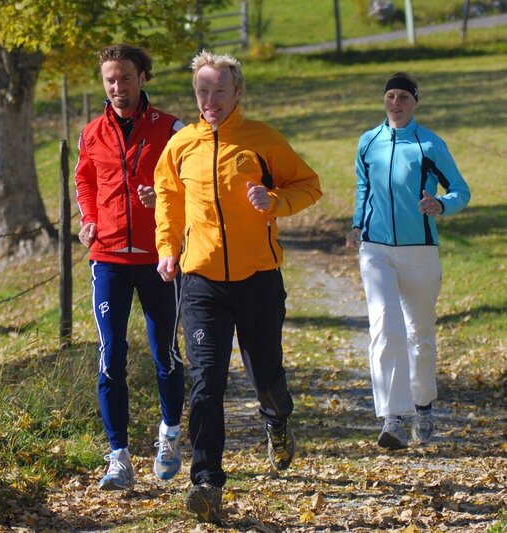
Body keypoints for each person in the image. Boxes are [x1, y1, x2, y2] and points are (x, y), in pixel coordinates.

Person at [154, 50, 323, 524]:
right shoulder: (182, 144)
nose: (209, 99)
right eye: (202, 91)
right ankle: (207, 481)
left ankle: (277, 420)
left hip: (257, 278)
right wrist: (167, 246)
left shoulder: (262, 140)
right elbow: (166, 196)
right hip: (201, 279)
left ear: (237, 91)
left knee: (265, 376)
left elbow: (309, 186)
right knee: (206, 382)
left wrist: (272, 200)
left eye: (219, 90)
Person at [75, 44, 186, 491]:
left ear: (143, 77)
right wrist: (88, 218)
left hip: (160, 258)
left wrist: (163, 202)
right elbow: (85, 178)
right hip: (108, 258)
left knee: (166, 355)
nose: (117, 87)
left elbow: (190, 185)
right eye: (109, 80)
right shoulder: (91, 132)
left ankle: (169, 435)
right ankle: (118, 455)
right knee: (110, 358)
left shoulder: (173, 129)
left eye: (125, 77)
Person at [346, 72, 470, 450]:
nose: (395, 102)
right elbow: (363, 188)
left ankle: (424, 406)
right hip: (375, 249)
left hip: (420, 250)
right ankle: (393, 418)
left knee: (420, 335)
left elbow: (461, 190)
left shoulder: (430, 144)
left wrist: (441, 205)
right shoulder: (369, 143)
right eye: (390, 96)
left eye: (403, 96)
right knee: (385, 327)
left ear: (415, 101)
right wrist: (356, 226)